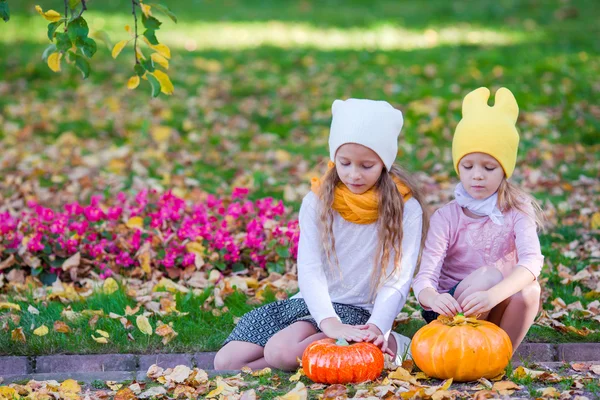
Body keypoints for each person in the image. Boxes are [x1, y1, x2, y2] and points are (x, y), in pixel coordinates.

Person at [214, 98, 427, 370]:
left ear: (384, 162)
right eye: (345, 162)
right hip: (314, 305)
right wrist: (330, 323)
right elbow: (311, 269)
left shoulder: (405, 208)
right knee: (226, 362)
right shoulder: (317, 201)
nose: (353, 174)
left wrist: (377, 325)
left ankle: (388, 344)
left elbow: (398, 278)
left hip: (361, 311)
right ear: (333, 157)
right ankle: (349, 351)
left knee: (280, 352)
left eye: (367, 165)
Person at [412, 87, 545, 351]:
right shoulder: (447, 217)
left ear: (505, 169)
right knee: (488, 275)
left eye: (489, 167)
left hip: (493, 300)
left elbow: (532, 260)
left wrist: (491, 296)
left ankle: (497, 357)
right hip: (450, 311)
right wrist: (433, 298)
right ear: (457, 166)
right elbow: (424, 278)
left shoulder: (517, 209)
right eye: (468, 166)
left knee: (530, 290)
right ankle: (462, 352)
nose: (477, 176)